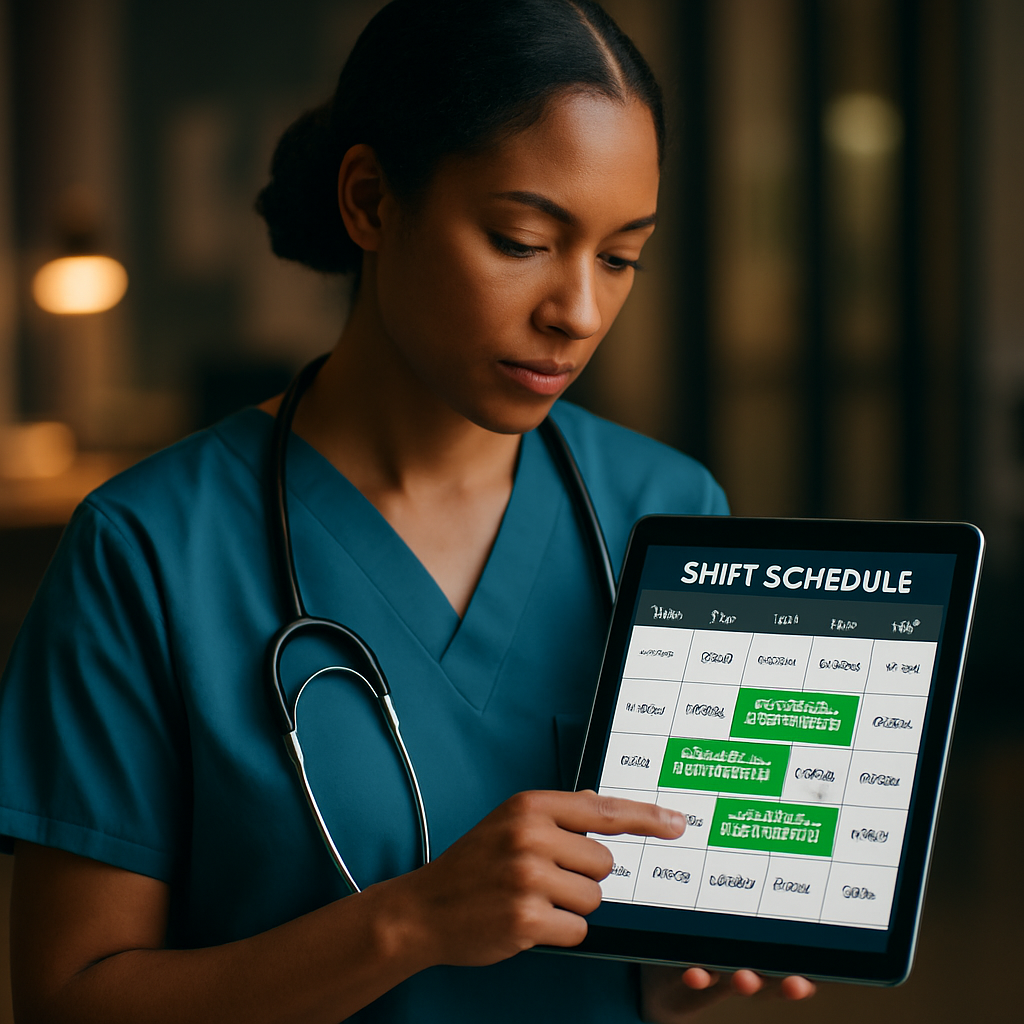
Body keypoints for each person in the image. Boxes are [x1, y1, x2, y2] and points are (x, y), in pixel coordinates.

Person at [0, 1, 816, 1021]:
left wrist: (676, 959)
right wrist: (413, 923)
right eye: (522, 240)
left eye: (619, 256)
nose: (579, 311)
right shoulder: (149, 550)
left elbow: (623, 947)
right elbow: (67, 998)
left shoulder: (669, 510)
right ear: (371, 201)